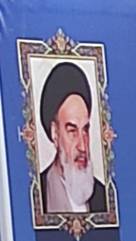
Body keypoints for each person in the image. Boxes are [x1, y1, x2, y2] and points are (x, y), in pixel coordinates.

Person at [38, 61, 106, 215]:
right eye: (72, 131)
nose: (82, 146)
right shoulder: (39, 193)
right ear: (55, 133)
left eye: (85, 130)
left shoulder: (103, 196)